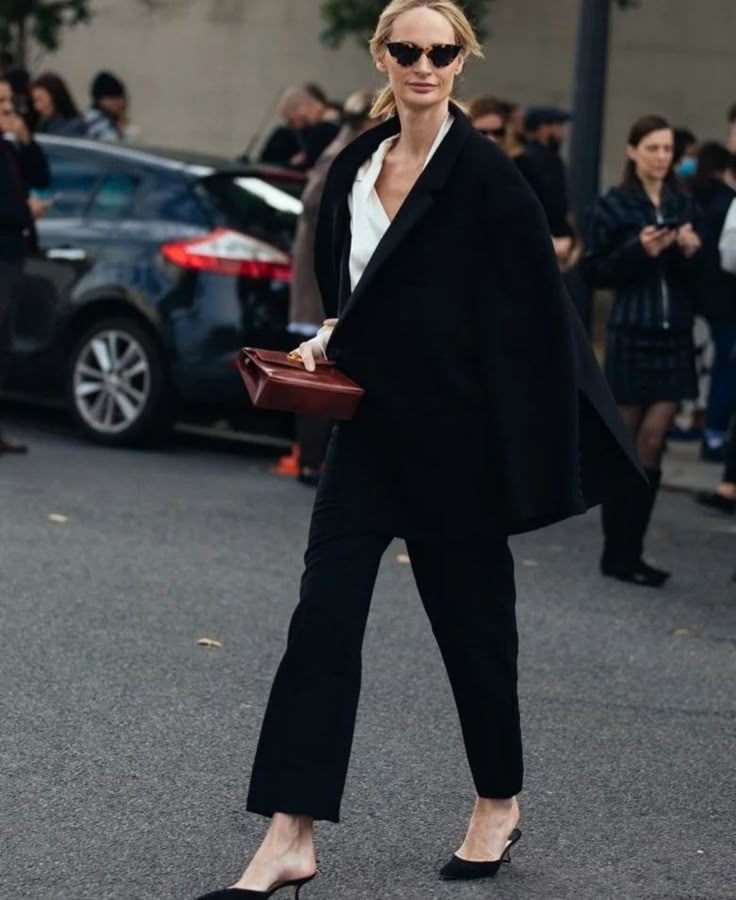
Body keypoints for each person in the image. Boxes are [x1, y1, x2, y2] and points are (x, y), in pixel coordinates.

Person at [192, 2, 640, 897]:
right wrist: (334, 333)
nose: (423, 64)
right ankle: (290, 834)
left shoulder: (487, 178)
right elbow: (357, 289)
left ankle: (497, 804)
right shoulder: (358, 164)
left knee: (474, 638)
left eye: (442, 51)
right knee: (322, 619)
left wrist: (538, 446)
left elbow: (532, 321)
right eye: (407, 49)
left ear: (461, 63)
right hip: (367, 438)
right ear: (383, 57)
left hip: (457, 450)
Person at [581, 114, 702, 587]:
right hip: (632, 330)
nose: (661, 157)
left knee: (654, 441)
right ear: (633, 151)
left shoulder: (682, 202)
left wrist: (691, 249)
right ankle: (618, 552)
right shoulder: (613, 205)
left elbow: (699, 281)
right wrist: (640, 250)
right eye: (652, 148)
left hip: (674, 335)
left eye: (668, 149)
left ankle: (634, 549)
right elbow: (595, 272)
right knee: (629, 446)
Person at [288, 89, 377, 486]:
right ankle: (311, 460)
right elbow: (313, 203)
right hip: (320, 282)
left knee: (323, 370)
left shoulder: (349, 152)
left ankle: (315, 459)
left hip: (323, 281)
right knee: (317, 372)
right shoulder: (343, 156)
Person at [0, 75, 50, 455]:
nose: (7, 109)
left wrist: (27, 138)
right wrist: (25, 212)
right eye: (0, 102)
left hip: (12, 254)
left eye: (9, 102)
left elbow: (40, 177)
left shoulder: (9, 148)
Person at [690, 142, 736, 461]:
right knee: (725, 367)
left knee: (715, 363)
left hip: (704, 294)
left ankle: (707, 427)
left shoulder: (697, 195)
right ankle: (715, 434)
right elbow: (730, 257)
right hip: (726, 298)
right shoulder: (726, 201)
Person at [516, 105, 580, 272]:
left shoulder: (548, 159)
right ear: (543, 129)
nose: (562, 134)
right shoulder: (535, 161)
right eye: (558, 127)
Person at [260, 85, 340, 171]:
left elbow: (311, 160)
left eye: (291, 120)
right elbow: (264, 162)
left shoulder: (332, 127)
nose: (295, 126)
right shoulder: (287, 132)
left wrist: (326, 125)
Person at [30, 71, 86, 136]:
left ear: (55, 97)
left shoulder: (75, 126)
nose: (37, 106)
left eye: (40, 99)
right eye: (35, 101)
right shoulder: (43, 125)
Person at [83, 70, 132, 142]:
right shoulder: (95, 120)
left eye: (120, 97)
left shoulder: (90, 116)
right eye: (113, 98)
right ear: (100, 99)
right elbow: (113, 144)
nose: (119, 102)